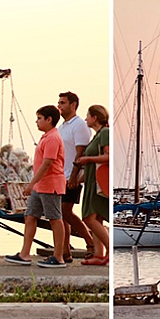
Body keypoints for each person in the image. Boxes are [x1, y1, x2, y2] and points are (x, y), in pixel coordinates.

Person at [4, 105, 68, 268]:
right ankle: (24, 254)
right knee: (30, 216)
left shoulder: (53, 138)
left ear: (49, 120)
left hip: (50, 184)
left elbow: (47, 163)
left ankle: (58, 256)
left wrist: (30, 184)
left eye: (40, 118)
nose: (37, 122)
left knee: (55, 218)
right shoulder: (46, 137)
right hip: (40, 185)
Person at [56, 92, 96, 261]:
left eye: (63, 103)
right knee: (61, 214)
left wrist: (73, 176)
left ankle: (90, 241)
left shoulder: (79, 125)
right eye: (58, 102)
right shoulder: (62, 126)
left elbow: (80, 153)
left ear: (73, 105)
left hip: (72, 175)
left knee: (66, 212)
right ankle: (65, 251)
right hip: (60, 175)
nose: (60, 105)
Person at [76, 104, 111, 266]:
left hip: (98, 182)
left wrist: (87, 159)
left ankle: (109, 250)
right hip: (91, 181)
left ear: (95, 118)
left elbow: (108, 156)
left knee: (89, 218)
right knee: (96, 218)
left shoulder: (105, 133)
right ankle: (98, 254)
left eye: (88, 116)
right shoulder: (97, 135)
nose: (86, 119)